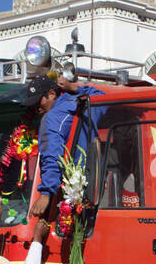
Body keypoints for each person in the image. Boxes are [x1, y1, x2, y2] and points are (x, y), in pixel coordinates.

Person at [24, 73, 105, 220]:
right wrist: (73, 87)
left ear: (52, 94)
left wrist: (45, 193)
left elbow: (52, 154)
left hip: (78, 192)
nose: (37, 109)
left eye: (38, 102)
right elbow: (104, 98)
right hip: (98, 185)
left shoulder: (51, 118)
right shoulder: (80, 101)